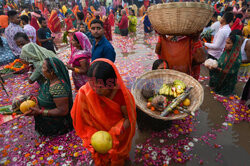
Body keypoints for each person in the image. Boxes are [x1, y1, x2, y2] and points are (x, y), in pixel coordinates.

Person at [71, 59, 136, 166]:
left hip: (117, 136)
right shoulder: (85, 92)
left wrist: (115, 132)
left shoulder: (122, 95)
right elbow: (82, 117)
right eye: (92, 85)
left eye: (100, 87)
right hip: (97, 135)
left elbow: (129, 119)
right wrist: (92, 133)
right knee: (101, 156)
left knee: (117, 156)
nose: (96, 91)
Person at [24, 57, 73, 136]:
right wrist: (35, 100)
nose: (42, 70)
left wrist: (40, 112)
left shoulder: (58, 88)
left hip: (56, 126)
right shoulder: (49, 81)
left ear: (52, 71)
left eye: (43, 67)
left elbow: (63, 111)